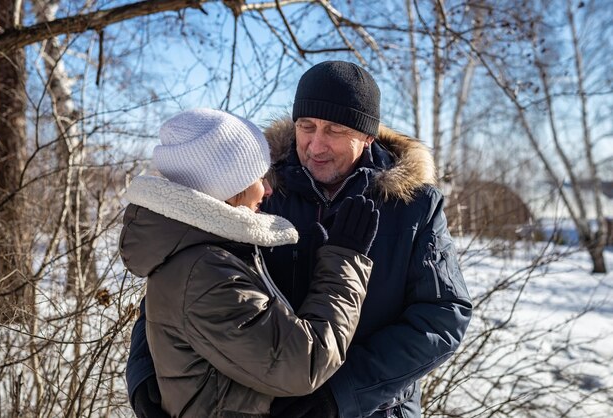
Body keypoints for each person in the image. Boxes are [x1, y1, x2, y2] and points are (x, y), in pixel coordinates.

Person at [127, 61, 473, 418]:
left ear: (367, 136)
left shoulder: (412, 204)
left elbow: (444, 315)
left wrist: (342, 395)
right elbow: (177, 278)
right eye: (306, 127)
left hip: (372, 409)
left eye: (335, 130)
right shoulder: (257, 189)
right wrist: (143, 374)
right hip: (268, 404)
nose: (316, 145)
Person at [119, 108, 380, 417]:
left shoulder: (194, 251)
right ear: (227, 189)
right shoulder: (206, 271)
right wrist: (343, 262)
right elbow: (303, 364)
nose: (267, 190)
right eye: (259, 176)